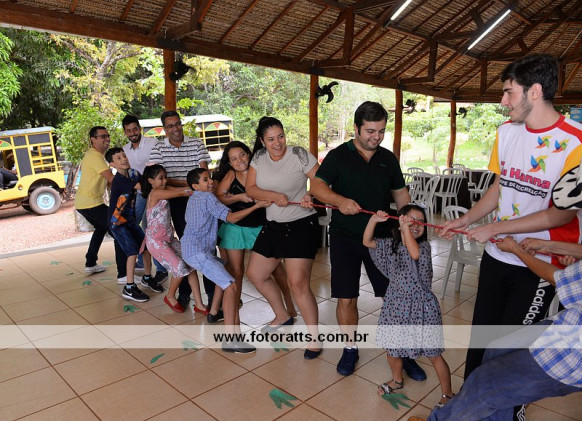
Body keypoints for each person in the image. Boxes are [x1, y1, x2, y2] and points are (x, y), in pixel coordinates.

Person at [439, 54, 582, 389]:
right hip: (497, 254)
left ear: (535, 91)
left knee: (510, 350)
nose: (503, 101)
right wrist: (468, 219)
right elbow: (500, 187)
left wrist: (495, 227)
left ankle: (509, 409)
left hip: (538, 262)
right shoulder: (506, 133)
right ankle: (467, 403)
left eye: (508, 92)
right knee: (482, 338)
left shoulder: (575, 141)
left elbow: (561, 213)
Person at [408, 235, 582, 421]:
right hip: (567, 324)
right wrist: (550, 246)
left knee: (485, 384)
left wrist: (517, 250)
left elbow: (558, 278)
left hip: (572, 352)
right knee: (496, 350)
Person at [311, 101, 425, 379]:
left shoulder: (388, 158)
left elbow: (401, 195)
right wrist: (339, 200)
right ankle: (350, 348)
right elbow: (317, 187)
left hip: (382, 239)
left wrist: (410, 220)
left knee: (395, 298)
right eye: (370, 131)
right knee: (346, 298)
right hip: (345, 238)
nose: (376, 137)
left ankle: (402, 352)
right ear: (356, 128)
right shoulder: (338, 156)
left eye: (381, 131)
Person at [245, 116, 322, 359]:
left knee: (297, 283)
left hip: (301, 225)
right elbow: (250, 189)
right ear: (262, 141)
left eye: (280, 136)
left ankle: (314, 338)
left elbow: (321, 182)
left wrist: (311, 195)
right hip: (274, 226)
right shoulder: (259, 158)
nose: (277, 143)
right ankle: (282, 315)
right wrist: (273, 195)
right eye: (271, 139)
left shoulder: (299, 155)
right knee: (256, 274)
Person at [364, 205, 453, 408]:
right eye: (410, 220)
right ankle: (397, 380)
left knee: (433, 353)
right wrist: (373, 221)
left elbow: (413, 253)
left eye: (420, 222)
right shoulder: (390, 245)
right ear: (399, 222)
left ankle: (447, 394)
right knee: (392, 349)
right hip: (395, 305)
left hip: (422, 308)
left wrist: (406, 229)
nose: (415, 225)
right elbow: (367, 241)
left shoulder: (424, 247)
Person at [181, 168, 269, 353]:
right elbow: (231, 218)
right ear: (196, 186)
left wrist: (236, 198)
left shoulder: (194, 197)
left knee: (227, 271)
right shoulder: (207, 197)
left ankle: (214, 312)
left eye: (210, 178)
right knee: (231, 285)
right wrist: (256, 206)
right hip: (198, 253)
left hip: (192, 249)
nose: (211, 182)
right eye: (205, 180)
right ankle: (231, 339)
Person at [215, 141, 295, 319]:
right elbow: (219, 197)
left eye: (242, 155)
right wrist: (239, 197)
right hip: (236, 228)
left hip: (261, 226)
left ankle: (289, 306)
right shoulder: (231, 175)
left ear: (249, 154)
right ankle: (234, 315)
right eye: (234, 159)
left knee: (277, 270)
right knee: (236, 272)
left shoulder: (259, 169)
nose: (239, 161)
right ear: (229, 163)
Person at [149, 110, 213, 308]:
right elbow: (161, 180)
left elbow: (204, 173)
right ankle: (185, 293)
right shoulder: (158, 149)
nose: (175, 128)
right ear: (164, 129)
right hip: (178, 202)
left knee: (207, 246)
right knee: (187, 246)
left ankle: (213, 294)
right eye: (170, 126)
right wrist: (189, 185)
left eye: (177, 124)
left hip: (200, 200)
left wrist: (189, 185)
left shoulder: (196, 143)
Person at [141, 164, 208, 314]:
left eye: (165, 177)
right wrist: (198, 187)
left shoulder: (164, 189)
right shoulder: (156, 193)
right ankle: (170, 296)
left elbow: (181, 190)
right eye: (161, 178)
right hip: (156, 242)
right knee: (180, 269)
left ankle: (199, 304)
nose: (165, 180)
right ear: (151, 181)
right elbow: (181, 192)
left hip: (169, 239)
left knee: (191, 265)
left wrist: (195, 187)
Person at [105, 147, 162, 302]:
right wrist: (156, 180)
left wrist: (153, 176)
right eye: (118, 158)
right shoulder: (119, 181)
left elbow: (145, 181)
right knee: (132, 252)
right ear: (112, 164)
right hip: (117, 223)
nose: (123, 159)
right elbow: (143, 186)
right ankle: (129, 287)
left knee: (146, 247)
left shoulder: (133, 173)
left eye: (124, 155)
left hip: (129, 220)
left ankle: (147, 277)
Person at [74, 126, 127, 281]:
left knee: (101, 228)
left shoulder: (97, 156)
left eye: (107, 136)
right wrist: (133, 186)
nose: (107, 139)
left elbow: (109, 183)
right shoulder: (94, 156)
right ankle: (123, 274)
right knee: (118, 231)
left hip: (86, 202)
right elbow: (111, 179)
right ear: (93, 139)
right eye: (103, 136)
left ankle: (90, 263)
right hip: (90, 203)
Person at [121, 114, 168, 285]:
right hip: (137, 194)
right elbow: (126, 173)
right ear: (125, 132)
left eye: (135, 129)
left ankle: (161, 270)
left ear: (139, 129)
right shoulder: (125, 150)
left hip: (154, 193)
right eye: (129, 130)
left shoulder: (153, 143)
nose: (133, 133)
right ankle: (141, 261)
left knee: (152, 230)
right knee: (133, 226)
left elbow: (158, 168)